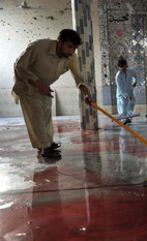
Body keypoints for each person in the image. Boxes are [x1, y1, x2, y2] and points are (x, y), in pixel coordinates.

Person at [12, 29, 91, 159]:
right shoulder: (39, 47)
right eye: (69, 46)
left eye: (74, 48)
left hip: (44, 86)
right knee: (36, 115)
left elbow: (77, 75)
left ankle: (47, 142)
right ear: (59, 42)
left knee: (46, 114)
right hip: (27, 85)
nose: (72, 51)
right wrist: (38, 83)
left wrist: (83, 88)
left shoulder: (70, 56)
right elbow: (19, 66)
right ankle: (45, 148)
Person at [115, 58, 137, 125]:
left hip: (130, 90)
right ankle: (124, 119)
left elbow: (135, 76)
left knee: (132, 102)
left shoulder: (130, 71)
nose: (122, 68)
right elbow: (120, 88)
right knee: (123, 105)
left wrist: (135, 82)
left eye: (123, 66)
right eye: (120, 67)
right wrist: (126, 96)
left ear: (125, 65)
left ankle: (128, 117)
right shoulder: (118, 75)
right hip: (121, 94)